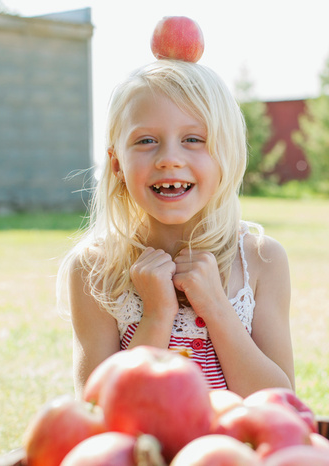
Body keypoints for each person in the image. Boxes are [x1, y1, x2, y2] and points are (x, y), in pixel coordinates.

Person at [57, 59, 294, 398]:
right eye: (146, 140)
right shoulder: (95, 269)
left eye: (193, 139)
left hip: (231, 450)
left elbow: (282, 403)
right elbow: (96, 409)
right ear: (117, 164)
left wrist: (215, 306)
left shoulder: (260, 260)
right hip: (142, 452)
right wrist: (155, 315)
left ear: (225, 156)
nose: (169, 158)